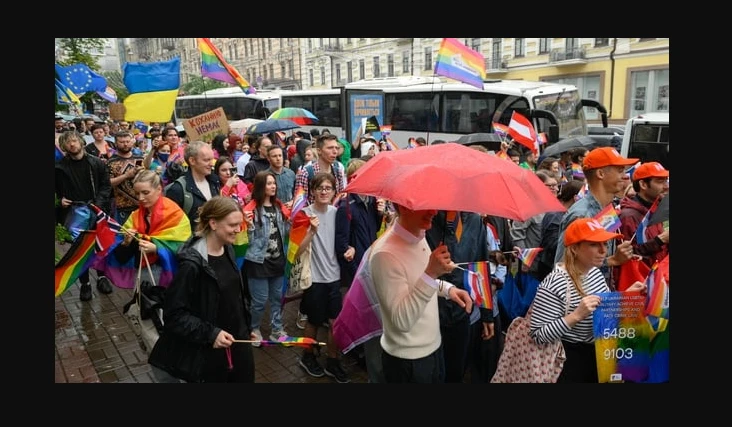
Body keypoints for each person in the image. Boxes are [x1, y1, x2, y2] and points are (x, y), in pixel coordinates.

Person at [148, 196, 256, 383]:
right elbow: (174, 314)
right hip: (209, 352)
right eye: (232, 225)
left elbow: (235, 296)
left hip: (239, 343)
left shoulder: (228, 249)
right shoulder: (191, 265)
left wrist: (246, 326)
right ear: (213, 223)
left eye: (240, 224)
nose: (238, 230)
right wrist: (211, 334)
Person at [530, 217, 647, 383]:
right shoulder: (554, 283)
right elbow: (538, 335)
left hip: (598, 354)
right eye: (594, 244)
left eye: (605, 244)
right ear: (575, 249)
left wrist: (628, 295)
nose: (603, 250)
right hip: (568, 362)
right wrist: (576, 315)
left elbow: (604, 309)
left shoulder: (594, 272)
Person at [369, 204, 473, 383]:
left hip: (433, 349)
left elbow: (418, 282)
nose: (434, 211)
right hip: (407, 362)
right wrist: (432, 272)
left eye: (433, 204)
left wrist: (449, 290)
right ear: (402, 206)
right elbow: (402, 320)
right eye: (425, 206)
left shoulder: (419, 235)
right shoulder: (384, 254)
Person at [554, 147, 639, 290]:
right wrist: (612, 260)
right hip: (581, 302)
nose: (625, 176)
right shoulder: (581, 215)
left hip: (600, 298)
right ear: (600, 174)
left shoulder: (607, 208)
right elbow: (563, 267)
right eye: (620, 171)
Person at [425, 210, 494, 383]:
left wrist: (487, 313)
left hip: (462, 310)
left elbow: (480, 265)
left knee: (456, 372)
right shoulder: (426, 218)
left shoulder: (474, 221)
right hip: (430, 311)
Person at [296, 172, 350, 383]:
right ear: (313, 191)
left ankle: (332, 360)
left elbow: (344, 240)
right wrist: (311, 231)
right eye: (320, 188)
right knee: (314, 321)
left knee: (335, 322)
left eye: (328, 188)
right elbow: (296, 252)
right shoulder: (304, 214)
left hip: (334, 276)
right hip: (314, 279)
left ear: (334, 191)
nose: (324, 192)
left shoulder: (338, 212)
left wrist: (350, 248)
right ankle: (307, 356)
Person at [55, 130, 113, 301]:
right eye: (67, 142)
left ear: (81, 141)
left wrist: (99, 205)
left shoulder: (96, 163)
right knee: (80, 248)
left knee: (100, 246)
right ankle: (85, 283)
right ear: (64, 146)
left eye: (74, 140)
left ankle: (102, 277)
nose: (71, 144)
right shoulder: (59, 167)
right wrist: (60, 200)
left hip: (97, 210)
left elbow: (106, 186)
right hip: (75, 213)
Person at [242, 171, 291, 346]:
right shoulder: (251, 209)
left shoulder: (279, 207)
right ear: (261, 186)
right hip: (258, 262)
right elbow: (249, 241)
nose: (273, 186)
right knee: (260, 301)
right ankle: (254, 328)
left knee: (278, 298)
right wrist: (248, 226)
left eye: (274, 183)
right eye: (269, 183)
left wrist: (294, 218)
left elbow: (285, 232)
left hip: (277, 260)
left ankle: (276, 329)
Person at [619, 162, 669, 268]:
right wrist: (660, 240)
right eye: (660, 181)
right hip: (640, 280)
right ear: (643, 184)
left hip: (658, 278)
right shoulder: (628, 216)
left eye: (666, 181)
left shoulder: (655, 208)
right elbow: (628, 255)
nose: (666, 186)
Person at [165, 141, 220, 234]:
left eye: (212, 159)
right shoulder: (177, 189)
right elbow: (171, 227)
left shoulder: (214, 181)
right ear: (192, 161)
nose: (211, 164)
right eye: (207, 160)